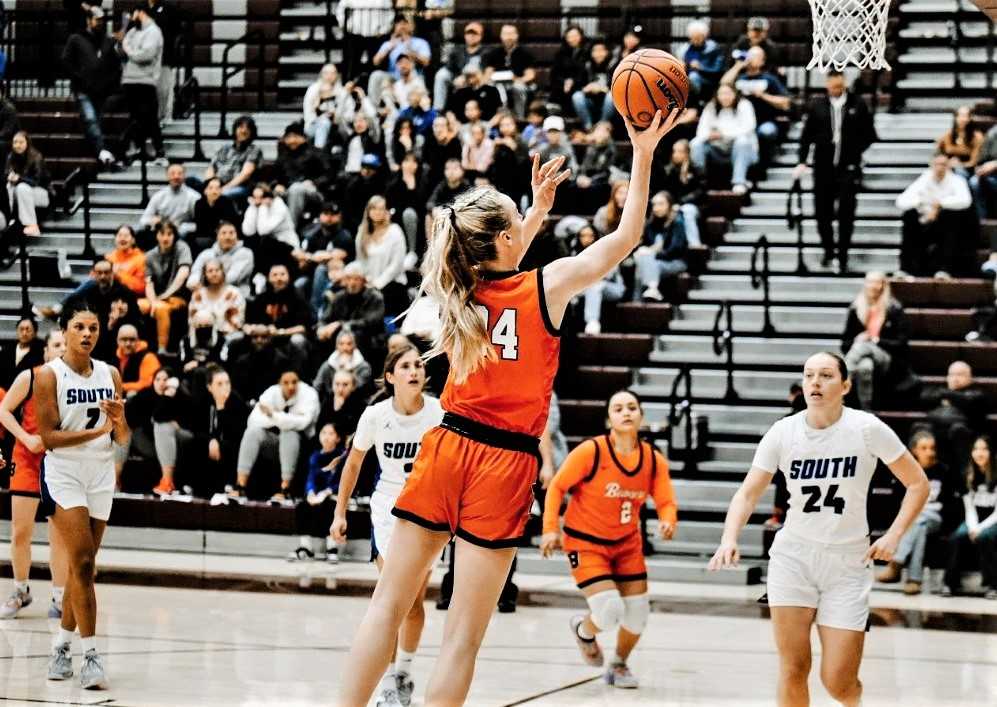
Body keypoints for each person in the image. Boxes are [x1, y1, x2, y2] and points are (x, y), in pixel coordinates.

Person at [336, 108, 681, 706]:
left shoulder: (455, 290)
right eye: (516, 224)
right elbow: (625, 238)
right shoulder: (546, 286)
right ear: (502, 239)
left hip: (446, 444)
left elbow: (500, 257)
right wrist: (643, 151)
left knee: (386, 608)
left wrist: (534, 212)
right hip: (505, 463)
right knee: (462, 639)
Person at [708, 352, 929, 707]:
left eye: (825, 375)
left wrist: (893, 535)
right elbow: (748, 493)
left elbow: (918, 484)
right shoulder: (784, 431)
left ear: (845, 385)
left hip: (848, 563)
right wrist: (728, 538)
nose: (815, 382)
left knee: (838, 681)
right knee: (793, 667)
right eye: (809, 375)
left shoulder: (867, 428)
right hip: (793, 557)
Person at [331, 344, 445, 706]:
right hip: (388, 510)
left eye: (419, 365)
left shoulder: (440, 413)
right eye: (406, 366)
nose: (414, 371)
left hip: (428, 511)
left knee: (412, 603)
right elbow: (352, 465)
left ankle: (403, 674)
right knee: (392, 597)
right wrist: (340, 512)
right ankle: (388, 684)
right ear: (391, 377)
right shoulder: (376, 416)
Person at [540, 390, 677, 689]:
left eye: (632, 407)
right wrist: (550, 527)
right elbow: (557, 487)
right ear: (609, 418)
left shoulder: (653, 460)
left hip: (627, 544)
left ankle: (618, 664)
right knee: (609, 610)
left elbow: (666, 500)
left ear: (641, 415)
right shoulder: (592, 451)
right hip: (585, 542)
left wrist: (668, 520)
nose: (626, 412)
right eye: (618, 408)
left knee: (638, 615)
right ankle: (584, 631)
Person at [35, 301, 130, 690]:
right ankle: (90, 655)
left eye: (93, 327)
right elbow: (49, 438)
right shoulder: (48, 376)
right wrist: (97, 432)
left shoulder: (111, 373)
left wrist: (119, 421)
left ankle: (60, 644)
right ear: (65, 331)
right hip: (64, 472)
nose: (87, 334)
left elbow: (123, 438)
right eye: (79, 327)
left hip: (100, 473)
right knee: (85, 561)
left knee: (83, 569)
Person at [0, 330, 69, 620]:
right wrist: (26, 439)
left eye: (66, 344)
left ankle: (59, 597)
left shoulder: (79, 381)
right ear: (45, 351)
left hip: (60, 463)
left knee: (59, 537)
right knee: (20, 531)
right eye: (56, 344)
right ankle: (21, 590)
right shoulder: (29, 377)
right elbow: (3, 411)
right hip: (27, 459)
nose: (62, 349)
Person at [793, 71, 878, 273]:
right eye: (832, 86)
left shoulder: (858, 104)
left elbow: (870, 134)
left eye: (839, 86)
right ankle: (828, 250)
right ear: (827, 85)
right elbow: (806, 136)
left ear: (844, 83)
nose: (835, 90)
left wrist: (855, 152)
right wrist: (802, 161)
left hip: (848, 167)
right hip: (823, 167)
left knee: (846, 213)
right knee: (822, 212)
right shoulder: (817, 106)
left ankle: (843, 254)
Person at [877, 430, 959, 594]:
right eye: (924, 448)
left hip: (935, 517)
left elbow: (949, 505)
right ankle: (914, 579)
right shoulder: (906, 470)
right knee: (919, 526)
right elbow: (897, 502)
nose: (930, 452)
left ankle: (896, 563)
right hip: (915, 520)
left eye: (932, 448)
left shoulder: (944, 471)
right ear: (914, 450)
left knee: (919, 519)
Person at [232, 369, 320, 501]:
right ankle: (240, 486)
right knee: (253, 432)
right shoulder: (271, 392)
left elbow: (303, 423)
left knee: (289, 433)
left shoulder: (309, 394)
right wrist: (289, 419)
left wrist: (272, 415)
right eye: (286, 382)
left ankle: (285, 489)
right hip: (274, 442)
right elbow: (253, 420)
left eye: (294, 382)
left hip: (302, 444)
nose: (291, 386)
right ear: (280, 383)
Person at [896, 153, 974, 278]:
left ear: (948, 166)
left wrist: (940, 205)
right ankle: (905, 268)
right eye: (937, 164)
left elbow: (966, 201)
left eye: (943, 164)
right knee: (909, 216)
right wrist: (922, 204)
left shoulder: (956, 180)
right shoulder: (924, 179)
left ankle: (944, 269)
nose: (940, 167)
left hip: (948, 224)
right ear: (931, 165)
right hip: (925, 219)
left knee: (950, 217)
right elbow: (901, 201)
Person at [841, 272, 910, 410]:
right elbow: (844, 345)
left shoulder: (894, 309)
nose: (873, 286)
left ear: (883, 285)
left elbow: (901, 344)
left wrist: (875, 340)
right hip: (860, 359)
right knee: (865, 367)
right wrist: (856, 339)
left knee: (863, 346)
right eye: (870, 282)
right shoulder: (855, 308)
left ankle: (840, 383)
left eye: (877, 282)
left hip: (887, 359)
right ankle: (867, 410)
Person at [61, 7, 121, 166]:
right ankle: (102, 151)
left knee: (97, 121)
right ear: (89, 20)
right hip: (82, 88)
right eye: (97, 19)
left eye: (102, 20)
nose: (100, 23)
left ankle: (98, 153)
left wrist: (108, 82)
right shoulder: (76, 38)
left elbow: (115, 64)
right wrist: (79, 77)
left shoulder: (107, 40)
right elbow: (66, 61)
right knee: (90, 118)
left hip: (101, 90)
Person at [943, 435, 997, 598]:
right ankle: (950, 583)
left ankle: (993, 585)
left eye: (984, 449)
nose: (979, 453)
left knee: (986, 537)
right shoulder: (967, 474)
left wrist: (979, 529)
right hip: (974, 519)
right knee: (957, 537)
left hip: (993, 519)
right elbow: (969, 508)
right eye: (976, 449)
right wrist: (973, 527)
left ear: (992, 452)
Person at [289, 422, 347, 563]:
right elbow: (311, 477)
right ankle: (306, 547)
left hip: (335, 494)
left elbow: (340, 481)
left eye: (331, 433)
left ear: (338, 438)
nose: (326, 437)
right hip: (318, 494)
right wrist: (310, 493)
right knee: (303, 506)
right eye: (323, 433)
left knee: (329, 506)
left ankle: (332, 548)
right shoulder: (315, 456)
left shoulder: (342, 456)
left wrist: (326, 493)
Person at [243, 262, 314, 374]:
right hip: (263, 338)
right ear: (268, 278)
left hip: (286, 338)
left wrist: (281, 332)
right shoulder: (261, 298)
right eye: (275, 275)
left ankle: (297, 376)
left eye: (282, 274)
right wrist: (254, 329)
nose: (279, 278)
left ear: (289, 276)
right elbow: (248, 323)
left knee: (298, 340)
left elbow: (304, 327)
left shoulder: (297, 298)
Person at [722, 46, 790, 161]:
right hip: (741, 123)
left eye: (756, 56)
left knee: (767, 131)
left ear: (762, 61)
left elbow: (785, 102)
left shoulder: (770, 79)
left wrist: (763, 96)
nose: (751, 58)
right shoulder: (739, 78)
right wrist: (737, 66)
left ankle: (765, 160)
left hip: (764, 121)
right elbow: (724, 84)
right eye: (750, 55)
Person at [920, 361, 991, 470]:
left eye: (960, 375)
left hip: (966, 441)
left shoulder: (977, 394)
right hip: (939, 438)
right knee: (921, 428)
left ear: (970, 378)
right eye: (952, 374)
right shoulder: (937, 393)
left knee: (957, 429)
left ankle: (966, 476)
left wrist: (945, 394)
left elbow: (969, 402)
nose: (955, 378)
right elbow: (923, 398)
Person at [691, 84, 758, 195]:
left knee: (742, 141)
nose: (724, 97)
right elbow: (700, 132)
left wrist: (722, 134)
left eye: (728, 93)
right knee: (695, 143)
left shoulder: (745, 105)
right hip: (717, 149)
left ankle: (739, 182)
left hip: (742, 150)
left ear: (735, 94)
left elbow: (749, 127)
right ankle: (701, 180)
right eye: (721, 94)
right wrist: (709, 135)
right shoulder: (711, 107)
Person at [118, 4, 165, 164]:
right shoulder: (133, 31)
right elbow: (123, 47)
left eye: (133, 14)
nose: (131, 18)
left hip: (145, 80)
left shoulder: (154, 32)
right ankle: (140, 150)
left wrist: (128, 49)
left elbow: (145, 55)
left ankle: (159, 152)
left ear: (141, 13)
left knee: (150, 117)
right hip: (129, 80)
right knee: (135, 118)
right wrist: (127, 48)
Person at [138, 221, 192, 354]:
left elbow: (182, 274)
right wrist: (153, 302)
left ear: (174, 236)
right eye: (162, 234)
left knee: (161, 308)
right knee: (139, 305)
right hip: (157, 297)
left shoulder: (182, 247)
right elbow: (148, 283)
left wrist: (165, 296)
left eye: (169, 234)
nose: (165, 238)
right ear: (157, 236)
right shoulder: (150, 255)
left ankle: (162, 349)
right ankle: (138, 345)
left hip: (177, 296)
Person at [355, 195, 409, 316]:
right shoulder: (362, 232)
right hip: (368, 282)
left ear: (386, 211)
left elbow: (396, 265)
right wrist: (366, 281)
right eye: (374, 208)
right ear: (368, 211)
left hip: (392, 283)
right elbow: (360, 261)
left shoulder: (395, 231)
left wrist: (378, 283)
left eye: (381, 209)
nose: (377, 212)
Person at [317, 262, 386, 355]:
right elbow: (325, 318)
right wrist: (321, 329)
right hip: (339, 336)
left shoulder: (375, 297)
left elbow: (370, 323)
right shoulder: (339, 297)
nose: (352, 283)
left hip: (368, 338)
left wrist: (341, 325)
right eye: (349, 278)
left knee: (352, 335)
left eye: (356, 279)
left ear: (364, 280)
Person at [273, 122, 332, 230]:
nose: (292, 140)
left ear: (304, 138)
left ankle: (290, 230)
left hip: (314, 191)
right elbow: (277, 177)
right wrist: (278, 185)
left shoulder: (316, 152)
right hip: (289, 190)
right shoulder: (283, 155)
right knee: (269, 194)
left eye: (295, 136)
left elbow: (329, 175)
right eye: (289, 137)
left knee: (296, 189)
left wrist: (314, 182)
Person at [570, 223, 625, 335]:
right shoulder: (574, 254)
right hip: (585, 288)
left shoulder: (606, 252)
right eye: (583, 236)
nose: (587, 239)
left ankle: (592, 321)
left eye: (590, 236)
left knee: (595, 286)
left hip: (612, 287)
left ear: (596, 237)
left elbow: (608, 275)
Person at [191, 116, 262, 201]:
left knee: (223, 195)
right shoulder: (225, 148)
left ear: (252, 132)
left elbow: (245, 174)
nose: (243, 131)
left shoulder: (254, 150)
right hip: (216, 183)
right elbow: (211, 168)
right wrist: (210, 186)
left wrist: (223, 189)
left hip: (237, 186)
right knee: (190, 180)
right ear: (235, 130)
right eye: (241, 127)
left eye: (248, 128)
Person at [367, 15, 431, 109]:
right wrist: (389, 48)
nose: (401, 26)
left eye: (404, 23)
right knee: (376, 75)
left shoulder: (420, 42)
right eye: (398, 23)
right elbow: (375, 61)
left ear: (411, 26)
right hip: (393, 76)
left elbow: (426, 62)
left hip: (413, 76)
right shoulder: (389, 43)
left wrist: (410, 49)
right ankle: (374, 109)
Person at [635, 191, 688, 302]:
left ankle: (648, 291)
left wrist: (653, 253)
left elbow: (675, 250)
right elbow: (645, 245)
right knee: (642, 262)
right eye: (654, 204)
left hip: (675, 261)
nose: (656, 208)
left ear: (669, 204)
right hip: (653, 261)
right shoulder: (650, 224)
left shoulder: (677, 222)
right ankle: (646, 295)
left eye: (661, 204)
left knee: (650, 264)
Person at [656, 139, 705, 247]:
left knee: (687, 211)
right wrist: (671, 204)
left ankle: (695, 245)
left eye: (679, 151)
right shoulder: (670, 170)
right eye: (674, 151)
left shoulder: (696, 169)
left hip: (694, 205)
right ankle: (660, 244)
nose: (676, 154)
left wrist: (681, 202)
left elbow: (700, 191)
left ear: (687, 153)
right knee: (658, 208)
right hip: (674, 204)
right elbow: (667, 191)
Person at [186, 222, 255, 297]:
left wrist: (206, 288)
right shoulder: (207, 253)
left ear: (237, 236)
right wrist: (194, 283)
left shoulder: (245, 253)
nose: (227, 237)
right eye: (223, 233)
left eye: (231, 233)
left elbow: (232, 278)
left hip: (236, 295)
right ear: (217, 236)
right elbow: (196, 272)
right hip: (206, 294)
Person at [187, 258, 246, 341]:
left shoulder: (234, 293)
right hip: (202, 336)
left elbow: (237, 321)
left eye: (217, 270)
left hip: (227, 336)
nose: (214, 274)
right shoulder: (198, 295)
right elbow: (192, 321)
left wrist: (218, 334)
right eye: (210, 271)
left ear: (223, 272)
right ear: (205, 274)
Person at [483, 23, 536, 118]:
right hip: (498, 83)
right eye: (505, 34)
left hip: (516, 83)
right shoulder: (494, 54)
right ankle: (494, 118)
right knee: (489, 88)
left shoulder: (525, 54)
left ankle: (519, 118)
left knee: (518, 87)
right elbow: (488, 73)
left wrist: (518, 80)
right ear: (501, 36)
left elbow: (530, 75)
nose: (508, 37)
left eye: (511, 34)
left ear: (517, 36)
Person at [139, 164, 200, 242]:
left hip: (182, 234)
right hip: (160, 232)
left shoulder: (194, 197)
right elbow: (144, 219)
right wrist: (153, 222)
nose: (176, 177)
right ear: (167, 176)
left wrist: (182, 227)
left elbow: (201, 224)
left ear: (184, 176)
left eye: (179, 173)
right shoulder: (159, 195)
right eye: (172, 173)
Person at [434, 21, 487, 110]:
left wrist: (465, 76)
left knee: (472, 65)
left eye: (474, 34)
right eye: (468, 34)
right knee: (441, 75)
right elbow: (449, 68)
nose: (471, 36)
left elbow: (486, 69)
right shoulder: (457, 50)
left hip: (478, 79)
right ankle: (438, 110)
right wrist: (456, 78)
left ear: (480, 36)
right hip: (458, 79)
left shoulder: (487, 51)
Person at [6, 130, 50, 236]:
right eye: (15, 142)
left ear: (27, 143)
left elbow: (37, 181)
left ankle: (32, 225)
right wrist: (10, 177)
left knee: (22, 187)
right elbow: (6, 175)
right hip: (21, 193)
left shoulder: (36, 157)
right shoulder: (11, 157)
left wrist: (19, 179)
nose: (17, 145)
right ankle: (9, 218)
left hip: (41, 193)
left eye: (21, 142)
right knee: (9, 186)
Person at [313, 329, 373, 399]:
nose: (345, 348)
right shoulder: (327, 365)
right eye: (341, 344)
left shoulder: (364, 367)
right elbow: (317, 387)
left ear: (355, 345)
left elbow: (359, 390)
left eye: (349, 344)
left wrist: (345, 369)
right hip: (331, 402)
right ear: (336, 346)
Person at [146, 0, 179, 123]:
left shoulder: (169, 8)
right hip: (145, 57)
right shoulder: (141, 8)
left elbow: (176, 30)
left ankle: (165, 116)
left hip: (164, 56)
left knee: (164, 88)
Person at [571, 39, 615, 130]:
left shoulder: (613, 65)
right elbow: (577, 85)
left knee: (611, 96)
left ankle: (602, 126)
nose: (598, 54)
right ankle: (589, 127)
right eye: (595, 50)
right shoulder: (586, 65)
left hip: (606, 103)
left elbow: (617, 87)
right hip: (590, 101)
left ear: (607, 52)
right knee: (577, 96)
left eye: (601, 50)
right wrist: (586, 88)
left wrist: (603, 89)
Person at [303, 64, 347, 150]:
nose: (329, 76)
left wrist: (335, 115)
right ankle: (319, 152)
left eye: (332, 73)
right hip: (313, 125)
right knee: (324, 123)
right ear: (321, 74)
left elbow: (346, 115)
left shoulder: (342, 92)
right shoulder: (313, 89)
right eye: (326, 73)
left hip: (337, 126)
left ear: (337, 75)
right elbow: (308, 114)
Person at [682, 20, 725, 101]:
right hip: (687, 80)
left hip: (708, 81)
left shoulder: (714, 48)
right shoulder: (685, 50)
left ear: (704, 36)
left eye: (698, 38)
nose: (696, 41)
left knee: (694, 77)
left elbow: (718, 69)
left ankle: (696, 102)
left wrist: (700, 67)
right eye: (693, 38)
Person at [936, 105, 983, 178]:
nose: (962, 119)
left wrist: (958, 165)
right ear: (955, 118)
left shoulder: (977, 137)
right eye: (960, 116)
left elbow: (973, 163)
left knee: (958, 171)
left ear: (970, 118)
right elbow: (937, 157)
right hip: (949, 169)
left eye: (965, 116)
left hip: (968, 171)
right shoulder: (947, 136)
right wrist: (947, 163)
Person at [115, 323, 160, 394]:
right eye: (124, 339)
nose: (128, 344)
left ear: (138, 340)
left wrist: (121, 387)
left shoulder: (148, 357)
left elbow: (146, 384)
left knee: (132, 394)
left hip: (141, 398)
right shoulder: (115, 358)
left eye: (132, 340)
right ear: (117, 341)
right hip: (119, 396)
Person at [1, 317, 45, 388]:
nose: (24, 333)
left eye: (28, 330)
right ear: (17, 331)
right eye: (21, 329)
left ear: (35, 333)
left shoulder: (40, 352)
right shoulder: (7, 350)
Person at [105, 225, 147, 297]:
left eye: (126, 236)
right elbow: (94, 278)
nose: (122, 238)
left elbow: (141, 287)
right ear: (115, 239)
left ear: (133, 240)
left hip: (131, 297)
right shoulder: (109, 257)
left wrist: (119, 274)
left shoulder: (141, 259)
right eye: (119, 235)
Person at [970, 122, 997, 219]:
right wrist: (980, 168)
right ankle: (982, 221)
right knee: (974, 182)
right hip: (991, 174)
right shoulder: (992, 132)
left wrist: (995, 164)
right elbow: (982, 157)